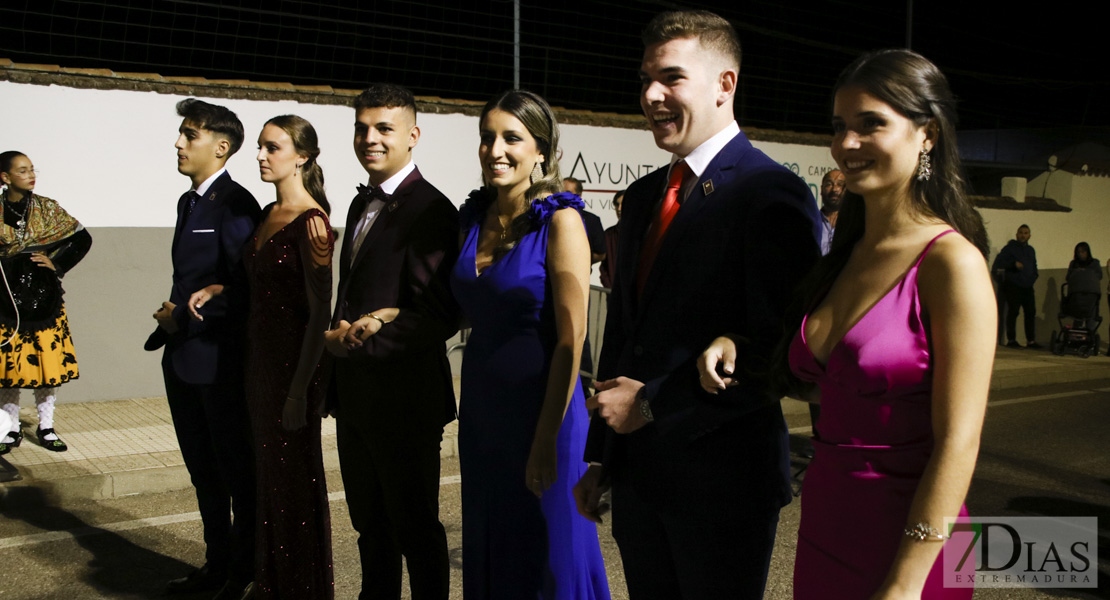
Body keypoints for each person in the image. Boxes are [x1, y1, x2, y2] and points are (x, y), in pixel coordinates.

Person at [703, 48, 993, 599]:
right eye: (840, 126)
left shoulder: (951, 264)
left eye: (871, 124)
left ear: (926, 134)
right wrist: (737, 345)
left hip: (913, 548)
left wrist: (907, 584)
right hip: (825, 530)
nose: (847, 143)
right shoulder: (846, 257)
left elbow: (959, 441)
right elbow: (828, 380)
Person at [576, 11, 821, 599]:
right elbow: (625, 336)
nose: (651, 95)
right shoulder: (641, 200)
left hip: (722, 486)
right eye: (645, 80)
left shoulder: (769, 193)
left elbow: (775, 349)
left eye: (672, 78)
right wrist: (600, 457)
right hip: (640, 479)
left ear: (724, 84)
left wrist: (653, 405)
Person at [451, 90, 610, 599]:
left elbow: (572, 338)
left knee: (548, 559)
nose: (495, 149)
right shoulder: (474, 221)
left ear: (540, 150)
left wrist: (545, 439)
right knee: (493, 540)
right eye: (487, 137)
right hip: (481, 412)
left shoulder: (561, 222)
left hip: (546, 415)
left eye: (511, 138)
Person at [321, 83, 459, 600]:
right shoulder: (361, 205)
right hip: (357, 397)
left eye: (384, 128)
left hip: (404, 401)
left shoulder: (432, 210)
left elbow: (438, 314)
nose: (370, 138)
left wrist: (359, 340)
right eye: (362, 128)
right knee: (369, 526)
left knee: (415, 528)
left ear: (413, 136)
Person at [191, 115, 335, 598]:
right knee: (266, 484)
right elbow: (260, 288)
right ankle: (270, 581)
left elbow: (319, 316)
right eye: (259, 147)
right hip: (258, 366)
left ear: (303, 157)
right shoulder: (270, 214)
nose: (260, 155)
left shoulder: (313, 223)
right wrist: (220, 285)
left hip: (291, 372)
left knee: (292, 485)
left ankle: (298, 588)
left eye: (272, 148)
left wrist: (299, 391)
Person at [146, 99, 261, 599]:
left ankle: (243, 573)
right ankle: (217, 567)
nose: (178, 143)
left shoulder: (236, 205)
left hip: (217, 363)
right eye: (181, 134)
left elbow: (246, 289)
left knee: (235, 475)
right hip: (183, 360)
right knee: (203, 474)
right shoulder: (188, 201)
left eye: (189, 135)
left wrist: (184, 316)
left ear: (221, 146)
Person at [0, 151, 92, 455]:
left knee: (46, 362)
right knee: (9, 365)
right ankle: (10, 428)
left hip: (44, 296)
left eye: (31, 170)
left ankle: (46, 425)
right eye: (22, 170)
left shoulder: (48, 209)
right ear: (5, 177)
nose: (30, 175)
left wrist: (58, 265)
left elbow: (82, 238)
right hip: (5, 298)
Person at [992, 224, 1040, 348]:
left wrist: (1034, 276)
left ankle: (1031, 341)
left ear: (1029, 235)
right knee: (1013, 312)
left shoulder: (1031, 250)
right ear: (1017, 234)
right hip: (1014, 285)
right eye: (1021, 232)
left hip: (1028, 286)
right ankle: (1011, 340)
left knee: (1030, 312)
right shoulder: (1009, 248)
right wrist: (1013, 264)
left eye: (1026, 233)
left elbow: (1034, 266)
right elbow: (999, 264)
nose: (1023, 235)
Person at [1065, 242, 1101, 329]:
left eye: (1083, 252)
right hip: (1076, 295)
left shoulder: (1094, 263)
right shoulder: (1074, 264)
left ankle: (1090, 334)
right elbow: (1068, 277)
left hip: (1090, 294)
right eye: (1079, 252)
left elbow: (1099, 275)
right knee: (1077, 318)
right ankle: (1076, 335)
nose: (1081, 254)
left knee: (1091, 317)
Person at [599, 189, 624, 289]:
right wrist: (610, 287)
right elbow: (603, 266)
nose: (619, 209)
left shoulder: (638, 233)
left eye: (623, 204)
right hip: (612, 294)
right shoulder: (609, 234)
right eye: (617, 205)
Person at [818, 169, 845, 255]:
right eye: (829, 184)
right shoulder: (811, 222)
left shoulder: (855, 223)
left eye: (840, 185)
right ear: (821, 190)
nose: (835, 189)